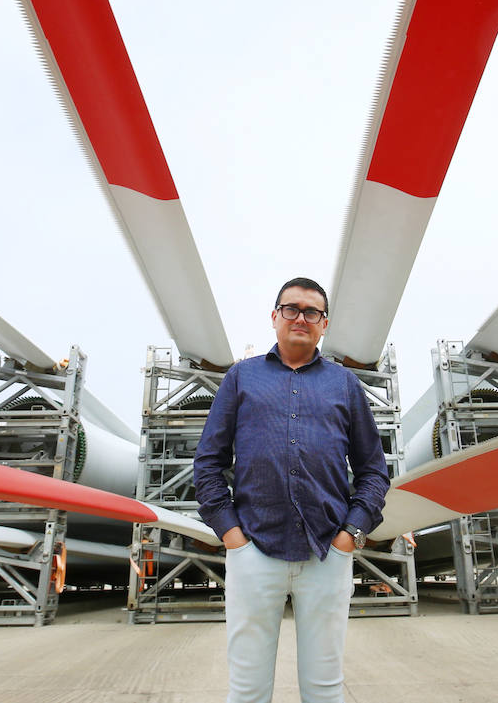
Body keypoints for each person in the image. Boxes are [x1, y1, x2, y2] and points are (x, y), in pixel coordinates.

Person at [194, 277, 390, 703]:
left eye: (312, 312)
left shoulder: (344, 385)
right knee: (247, 691)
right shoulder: (241, 378)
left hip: (327, 553)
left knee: (324, 689)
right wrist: (232, 536)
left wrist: (349, 536)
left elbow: (373, 469)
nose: (301, 318)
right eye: (291, 309)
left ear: (324, 324)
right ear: (274, 317)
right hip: (253, 551)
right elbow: (208, 462)